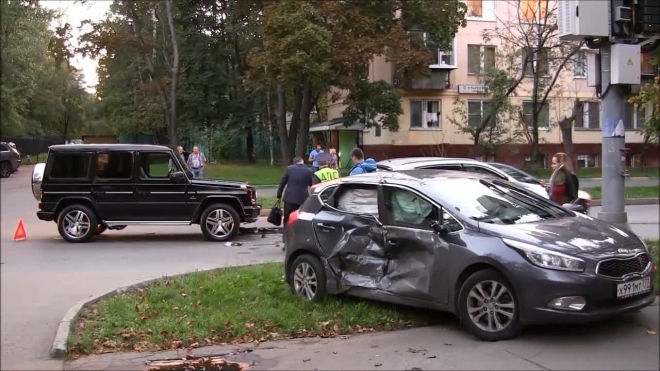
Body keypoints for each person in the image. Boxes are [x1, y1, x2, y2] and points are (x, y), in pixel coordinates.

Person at [277, 156, 313, 226]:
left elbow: (282, 182)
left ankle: (286, 232)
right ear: (302, 162)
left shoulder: (289, 169)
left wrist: (279, 195)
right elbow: (311, 183)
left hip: (289, 198)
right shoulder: (309, 170)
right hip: (303, 199)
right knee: (300, 217)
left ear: (294, 163)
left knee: (287, 217)